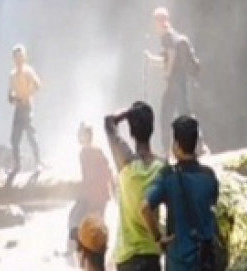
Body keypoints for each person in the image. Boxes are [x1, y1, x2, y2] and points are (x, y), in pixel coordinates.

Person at [142, 115, 222, 271]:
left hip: (179, 261)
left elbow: (145, 208)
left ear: (176, 145)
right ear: (195, 143)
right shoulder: (209, 176)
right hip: (205, 261)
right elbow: (212, 204)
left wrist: (159, 238)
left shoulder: (168, 176)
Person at [105, 101, 166, 271]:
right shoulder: (162, 167)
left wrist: (129, 113)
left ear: (131, 131)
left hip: (127, 256)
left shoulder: (125, 162)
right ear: (152, 129)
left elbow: (108, 122)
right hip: (151, 253)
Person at [143, 7, 200, 153]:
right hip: (180, 81)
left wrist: (167, 74)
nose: (154, 26)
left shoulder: (167, 35)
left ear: (160, 21)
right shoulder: (173, 35)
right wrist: (151, 60)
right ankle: (197, 145)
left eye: (155, 21)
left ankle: (167, 150)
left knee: (167, 115)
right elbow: (166, 60)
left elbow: (172, 54)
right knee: (183, 113)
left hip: (174, 81)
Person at [67, 122, 115, 257]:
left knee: (94, 223)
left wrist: (112, 187)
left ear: (88, 136)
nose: (79, 137)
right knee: (78, 218)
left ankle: (96, 252)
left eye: (81, 134)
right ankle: (81, 249)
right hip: (91, 194)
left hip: (98, 195)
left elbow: (107, 170)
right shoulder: (83, 152)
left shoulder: (95, 151)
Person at [7, 44, 43, 178]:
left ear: (25, 57)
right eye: (16, 57)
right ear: (13, 59)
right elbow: (9, 94)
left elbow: (38, 85)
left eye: (21, 57)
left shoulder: (28, 71)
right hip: (18, 107)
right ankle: (17, 165)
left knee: (31, 135)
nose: (19, 60)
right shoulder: (12, 75)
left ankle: (38, 162)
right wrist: (13, 99)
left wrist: (27, 94)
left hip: (27, 106)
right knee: (14, 139)